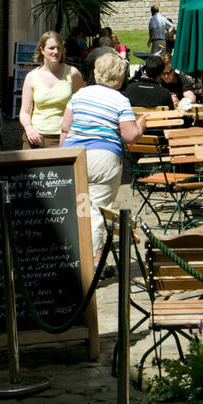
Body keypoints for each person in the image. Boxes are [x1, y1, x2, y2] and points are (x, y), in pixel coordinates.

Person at [59, 51, 146, 263]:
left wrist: (61, 157)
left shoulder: (79, 95)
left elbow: (64, 128)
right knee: (96, 210)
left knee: (79, 208)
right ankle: (91, 263)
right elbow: (130, 136)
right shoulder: (120, 100)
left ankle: (75, 256)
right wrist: (141, 126)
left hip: (74, 155)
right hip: (103, 157)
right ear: (120, 76)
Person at [19, 31, 84, 149]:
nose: (56, 52)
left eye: (59, 48)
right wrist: (28, 128)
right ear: (42, 50)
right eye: (52, 48)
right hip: (35, 138)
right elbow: (24, 112)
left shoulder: (72, 73)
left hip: (63, 138)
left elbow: (83, 105)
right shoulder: (31, 77)